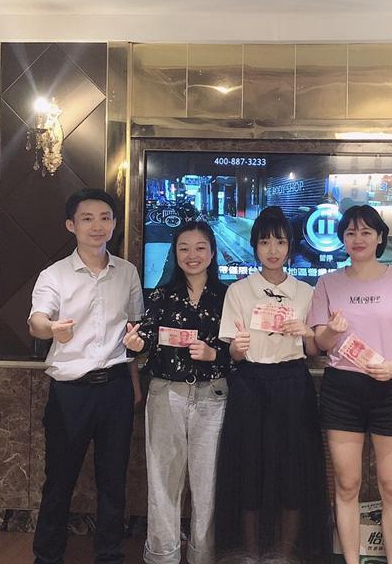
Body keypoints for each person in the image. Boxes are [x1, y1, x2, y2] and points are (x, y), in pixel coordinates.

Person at [307, 205, 392, 564]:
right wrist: (331, 331)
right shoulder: (328, 283)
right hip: (342, 390)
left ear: (380, 237)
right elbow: (318, 344)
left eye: (365, 232)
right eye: (350, 232)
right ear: (342, 239)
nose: (357, 239)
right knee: (346, 484)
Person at [28, 188, 144, 564]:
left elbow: (134, 330)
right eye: (87, 218)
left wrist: (134, 385)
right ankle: (48, 557)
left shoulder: (127, 272)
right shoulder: (54, 275)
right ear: (71, 225)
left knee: (113, 481)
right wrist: (51, 329)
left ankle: (109, 555)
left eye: (105, 218)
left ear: (114, 223)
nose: (98, 226)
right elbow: (36, 321)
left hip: (116, 388)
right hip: (70, 392)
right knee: (59, 481)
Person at [215, 206, 329, 561]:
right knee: (249, 466)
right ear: (254, 246)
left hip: (292, 383)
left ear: (290, 245)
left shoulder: (305, 292)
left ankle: (285, 552)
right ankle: (251, 552)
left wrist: (307, 332)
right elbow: (233, 353)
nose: (273, 249)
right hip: (249, 384)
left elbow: (313, 350)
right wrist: (237, 347)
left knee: (292, 468)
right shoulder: (238, 291)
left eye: (280, 241)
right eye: (265, 242)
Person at [122, 221, 232, 564]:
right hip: (166, 394)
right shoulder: (161, 294)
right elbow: (145, 338)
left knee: (208, 484)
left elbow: (242, 352)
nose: (192, 255)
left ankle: (203, 556)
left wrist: (215, 354)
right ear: (175, 253)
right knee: (162, 481)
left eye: (200, 248)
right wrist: (135, 343)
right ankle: (162, 556)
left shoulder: (228, 296)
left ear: (212, 253)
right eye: (184, 248)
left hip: (213, 396)